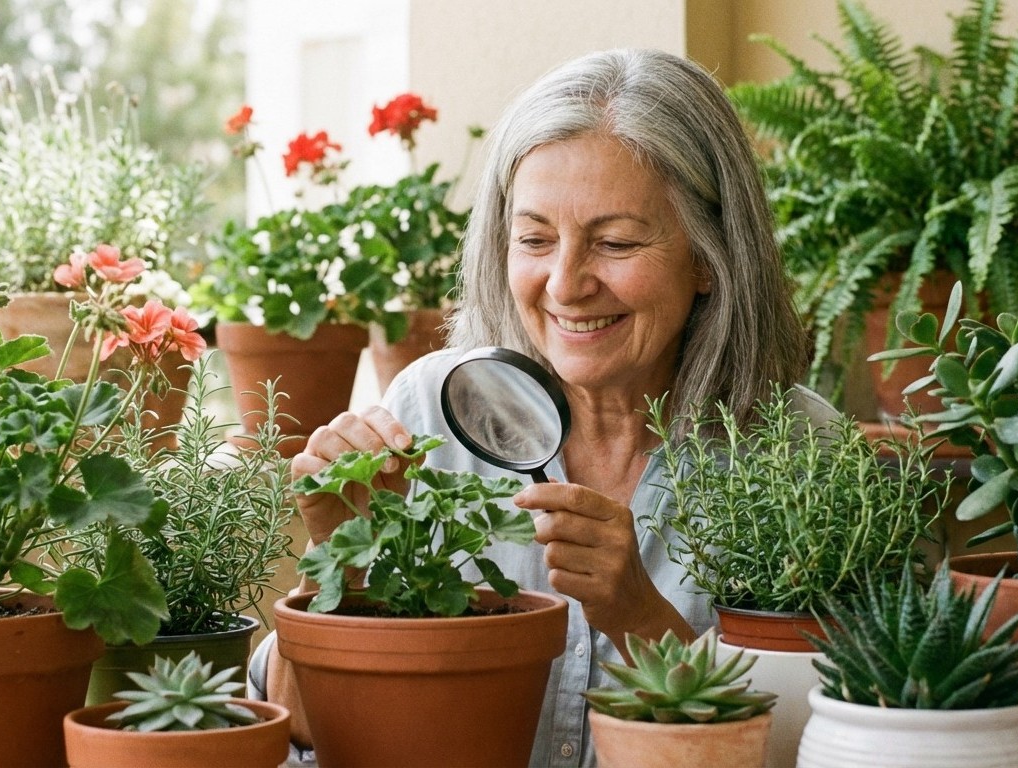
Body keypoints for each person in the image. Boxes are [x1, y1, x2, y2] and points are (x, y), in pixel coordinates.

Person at [248, 47, 835, 767]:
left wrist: (638, 617)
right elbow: (301, 731)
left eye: (614, 242)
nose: (564, 284)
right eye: (533, 239)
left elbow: (815, 748)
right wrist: (338, 560)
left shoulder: (807, 461)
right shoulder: (430, 411)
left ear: (709, 258)